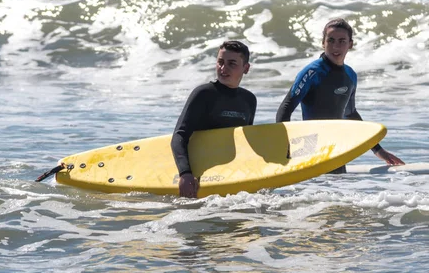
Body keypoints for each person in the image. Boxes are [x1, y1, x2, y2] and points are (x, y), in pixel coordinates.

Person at [276, 18, 404, 172]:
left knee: (337, 193)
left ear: (350, 44)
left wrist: (378, 150)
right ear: (323, 43)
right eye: (331, 40)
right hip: (311, 150)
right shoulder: (312, 72)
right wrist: (285, 150)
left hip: (335, 150)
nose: (336, 46)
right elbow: (285, 109)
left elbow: (350, 114)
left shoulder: (350, 75)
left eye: (342, 41)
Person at [171, 40, 257, 198]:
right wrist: (185, 174)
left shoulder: (249, 100)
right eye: (220, 62)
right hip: (199, 179)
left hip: (230, 178)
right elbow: (179, 136)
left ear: (246, 68)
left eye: (232, 63)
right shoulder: (204, 94)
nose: (223, 69)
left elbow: (244, 144)